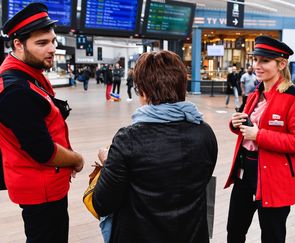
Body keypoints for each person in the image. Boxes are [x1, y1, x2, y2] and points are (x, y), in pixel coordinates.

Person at [90, 50, 218, 243]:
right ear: (182, 86)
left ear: (143, 91)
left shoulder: (128, 139)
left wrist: (108, 162)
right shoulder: (205, 133)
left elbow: (102, 203)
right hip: (191, 234)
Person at [0, 3, 84, 243]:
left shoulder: (23, 71)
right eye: (42, 43)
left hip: (43, 182)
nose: (52, 48)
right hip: (40, 191)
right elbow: (43, 151)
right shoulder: (15, 91)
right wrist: (75, 159)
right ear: (18, 45)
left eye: (52, 41)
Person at [225, 36, 295, 243]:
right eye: (256, 60)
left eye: (264, 61)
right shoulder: (255, 93)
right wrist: (235, 123)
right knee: (234, 231)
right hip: (244, 173)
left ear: (281, 64)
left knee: (272, 234)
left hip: (273, 178)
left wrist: (259, 136)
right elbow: (248, 128)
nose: (257, 65)